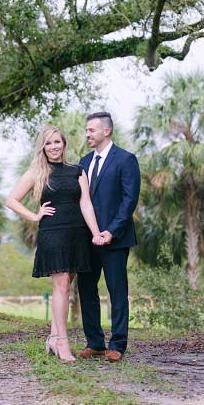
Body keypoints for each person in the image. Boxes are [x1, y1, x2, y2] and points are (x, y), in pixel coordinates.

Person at [6, 124, 106, 362]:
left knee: (67, 284)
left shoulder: (77, 171)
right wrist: (34, 216)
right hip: (53, 233)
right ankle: (63, 343)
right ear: (43, 147)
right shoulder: (36, 172)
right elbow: (11, 200)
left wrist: (95, 232)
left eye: (57, 142)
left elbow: (86, 205)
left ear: (64, 144)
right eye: (48, 143)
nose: (53, 147)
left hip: (77, 233)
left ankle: (53, 336)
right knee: (61, 285)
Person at [76, 111, 139, 363]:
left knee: (117, 291)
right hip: (87, 239)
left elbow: (129, 200)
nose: (87, 134)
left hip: (116, 239)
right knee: (86, 290)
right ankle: (95, 343)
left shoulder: (126, 159)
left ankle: (118, 345)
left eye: (91, 130)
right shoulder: (83, 162)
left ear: (106, 131)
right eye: (86, 130)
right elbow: (82, 201)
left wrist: (111, 231)